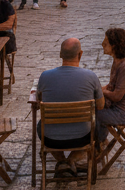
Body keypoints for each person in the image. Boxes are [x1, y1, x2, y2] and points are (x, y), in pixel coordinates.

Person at [37, 38, 104, 178]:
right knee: (96, 126)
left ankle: (62, 161)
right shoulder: (91, 77)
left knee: (40, 125)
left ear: (60, 54)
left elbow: (39, 102)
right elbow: (100, 105)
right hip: (82, 138)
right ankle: (71, 161)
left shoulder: (45, 76)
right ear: (80, 54)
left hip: (50, 139)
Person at [99, 29, 125, 131]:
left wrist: (101, 91)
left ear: (114, 46)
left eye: (106, 42)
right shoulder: (117, 61)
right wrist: (98, 89)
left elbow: (117, 96)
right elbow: (112, 85)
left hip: (124, 113)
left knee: (91, 114)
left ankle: (99, 138)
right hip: (115, 107)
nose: (102, 44)